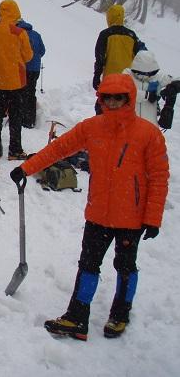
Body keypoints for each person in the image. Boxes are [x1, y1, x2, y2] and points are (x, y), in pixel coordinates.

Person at [10, 73, 169, 341]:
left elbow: (159, 178)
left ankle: (120, 314)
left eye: (118, 97)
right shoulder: (92, 127)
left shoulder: (148, 134)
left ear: (128, 99)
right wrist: (26, 168)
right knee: (88, 264)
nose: (113, 102)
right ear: (101, 99)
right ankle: (77, 318)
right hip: (98, 214)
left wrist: (153, 218)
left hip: (131, 218)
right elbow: (59, 148)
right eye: (107, 97)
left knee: (125, 266)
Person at [0, 0, 33, 160]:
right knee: (15, 116)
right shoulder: (19, 33)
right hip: (17, 82)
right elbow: (28, 56)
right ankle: (15, 150)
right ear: (16, 12)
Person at [93, 4, 141, 114]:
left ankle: (102, 129)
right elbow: (139, 57)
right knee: (123, 108)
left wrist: (96, 76)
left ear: (109, 17)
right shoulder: (132, 35)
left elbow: (100, 57)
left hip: (110, 78)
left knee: (104, 107)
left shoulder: (105, 34)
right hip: (127, 80)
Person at [122, 50, 180, 127]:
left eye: (150, 73)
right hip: (127, 125)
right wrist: (146, 95)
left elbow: (176, 80)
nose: (147, 75)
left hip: (150, 126)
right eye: (144, 73)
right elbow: (124, 91)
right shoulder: (127, 74)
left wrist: (174, 87)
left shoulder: (158, 77)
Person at [16, 18, 46, 128]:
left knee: (22, 93)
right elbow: (42, 50)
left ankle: (22, 119)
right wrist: (35, 59)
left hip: (24, 69)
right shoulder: (36, 34)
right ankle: (31, 119)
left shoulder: (19, 34)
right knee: (31, 93)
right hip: (35, 69)